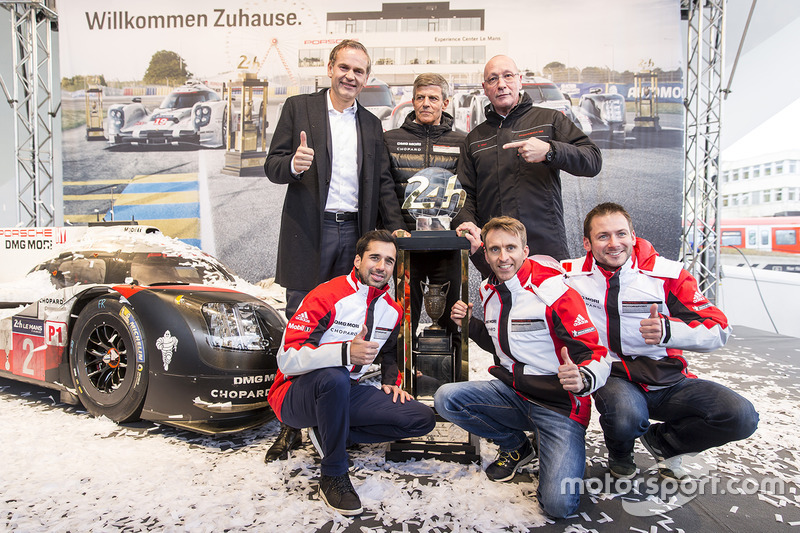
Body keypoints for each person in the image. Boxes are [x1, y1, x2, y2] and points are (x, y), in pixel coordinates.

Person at [264, 40, 405, 461]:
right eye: (344, 67)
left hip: (355, 235)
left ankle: (334, 413)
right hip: (311, 231)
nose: (351, 76)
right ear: (330, 68)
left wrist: (396, 229)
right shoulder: (299, 107)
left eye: (359, 71)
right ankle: (291, 422)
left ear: (367, 77)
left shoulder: (370, 124)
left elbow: (381, 183)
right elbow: (273, 165)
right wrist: (294, 165)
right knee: (301, 325)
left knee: (347, 323)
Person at [562, 202, 759, 481]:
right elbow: (519, 273)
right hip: (613, 375)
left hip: (667, 377)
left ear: (633, 235)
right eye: (603, 236)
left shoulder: (669, 274)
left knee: (741, 416)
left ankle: (664, 443)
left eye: (621, 234)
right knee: (626, 415)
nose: (614, 243)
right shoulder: (568, 276)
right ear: (587, 242)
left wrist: (670, 330)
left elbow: (719, 328)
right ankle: (620, 451)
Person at [433, 216, 611, 519]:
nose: (504, 257)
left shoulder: (552, 289)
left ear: (525, 250)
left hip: (558, 406)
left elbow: (597, 352)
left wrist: (583, 377)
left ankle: (548, 438)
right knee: (446, 398)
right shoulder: (489, 291)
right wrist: (470, 325)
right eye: (495, 250)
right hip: (513, 393)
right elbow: (500, 346)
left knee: (558, 506)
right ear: (485, 254)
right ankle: (517, 445)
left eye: (511, 248)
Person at [267, 230, 436, 516]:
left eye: (389, 261)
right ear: (357, 260)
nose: (381, 266)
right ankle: (333, 473)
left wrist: (390, 382)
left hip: (346, 392)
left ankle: (330, 430)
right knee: (334, 375)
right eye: (374, 257)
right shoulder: (326, 295)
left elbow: (391, 353)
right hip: (294, 394)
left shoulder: (391, 310)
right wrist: (344, 352)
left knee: (420, 419)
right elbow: (287, 360)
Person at [453, 55, 602, 262]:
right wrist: (467, 222)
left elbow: (592, 160)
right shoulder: (474, 139)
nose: (501, 84)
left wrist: (550, 151)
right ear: (485, 87)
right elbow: (463, 193)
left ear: (519, 80)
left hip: (545, 246)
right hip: (497, 252)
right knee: (498, 295)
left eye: (508, 76)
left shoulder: (550, 121)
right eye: (493, 79)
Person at [383, 72, 466, 380]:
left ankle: (451, 384)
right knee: (402, 319)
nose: (426, 103)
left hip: (448, 247)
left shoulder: (461, 142)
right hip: (407, 247)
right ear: (412, 100)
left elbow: (466, 189)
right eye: (420, 97)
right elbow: (385, 188)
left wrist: (460, 229)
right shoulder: (390, 139)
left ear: (445, 102)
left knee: (449, 319)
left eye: (433, 98)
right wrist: (396, 230)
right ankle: (399, 381)